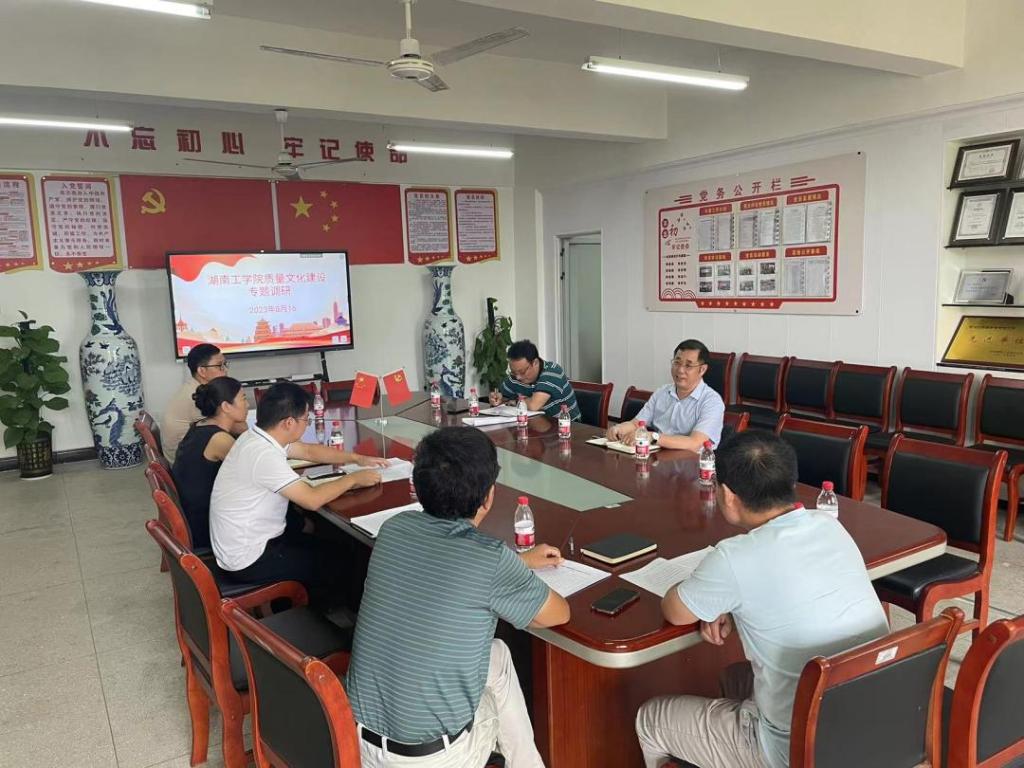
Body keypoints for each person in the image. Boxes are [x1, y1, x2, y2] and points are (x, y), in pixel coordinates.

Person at [635, 431, 888, 768]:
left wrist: (716, 594)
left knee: (650, 719)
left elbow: (676, 611)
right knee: (735, 677)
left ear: (728, 496)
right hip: (874, 723)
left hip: (797, 751)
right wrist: (726, 602)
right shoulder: (828, 525)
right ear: (791, 483)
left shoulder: (733, 558)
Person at [346, 426, 569, 767]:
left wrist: (518, 562)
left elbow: (440, 567)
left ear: (419, 485)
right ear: (489, 496)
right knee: (500, 668)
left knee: (496, 654)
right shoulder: (488, 558)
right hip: (432, 759)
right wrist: (511, 571)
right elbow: (557, 614)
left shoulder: (394, 529)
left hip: (356, 741)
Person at [209, 381, 387, 594]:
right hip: (250, 558)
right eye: (306, 419)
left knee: (336, 543)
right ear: (289, 422)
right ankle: (332, 610)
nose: (308, 423)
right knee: (344, 560)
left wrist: (357, 458)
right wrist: (352, 479)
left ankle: (324, 599)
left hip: (244, 544)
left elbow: (309, 451)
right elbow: (311, 500)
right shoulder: (263, 455)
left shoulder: (258, 436)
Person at [170, 377, 248, 550]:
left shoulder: (200, 425)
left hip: (193, 514)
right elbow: (253, 471)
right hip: (206, 525)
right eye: (243, 399)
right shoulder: (220, 440)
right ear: (226, 407)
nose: (247, 405)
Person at [607, 339, 724, 450]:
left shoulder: (712, 402)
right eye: (677, 363)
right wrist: (618, 428)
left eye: (688, 366)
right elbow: (636, 424)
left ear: (702, 369)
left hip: (692, 462)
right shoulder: (662, 392)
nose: (680, 370)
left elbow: (694, 443)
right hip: (658, 457)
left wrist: (653, 437)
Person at [162, 344, 234, 463]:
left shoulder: (194, 386)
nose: (225, 370)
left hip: (186, 453)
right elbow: (233, 427)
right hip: (186, 462)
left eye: (225, 364)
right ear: (202, 371)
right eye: (220, 366)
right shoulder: (197, 396)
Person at [488, 339, 581, 421]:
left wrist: (515, 402)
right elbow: (503, 397)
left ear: (535, 363)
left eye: (522, 372)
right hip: (536, 425)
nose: (518, 377)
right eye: (513, 372)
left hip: (568, 427)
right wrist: (497, 398)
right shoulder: (515, 376)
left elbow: (533, 405)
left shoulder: (552, 372)